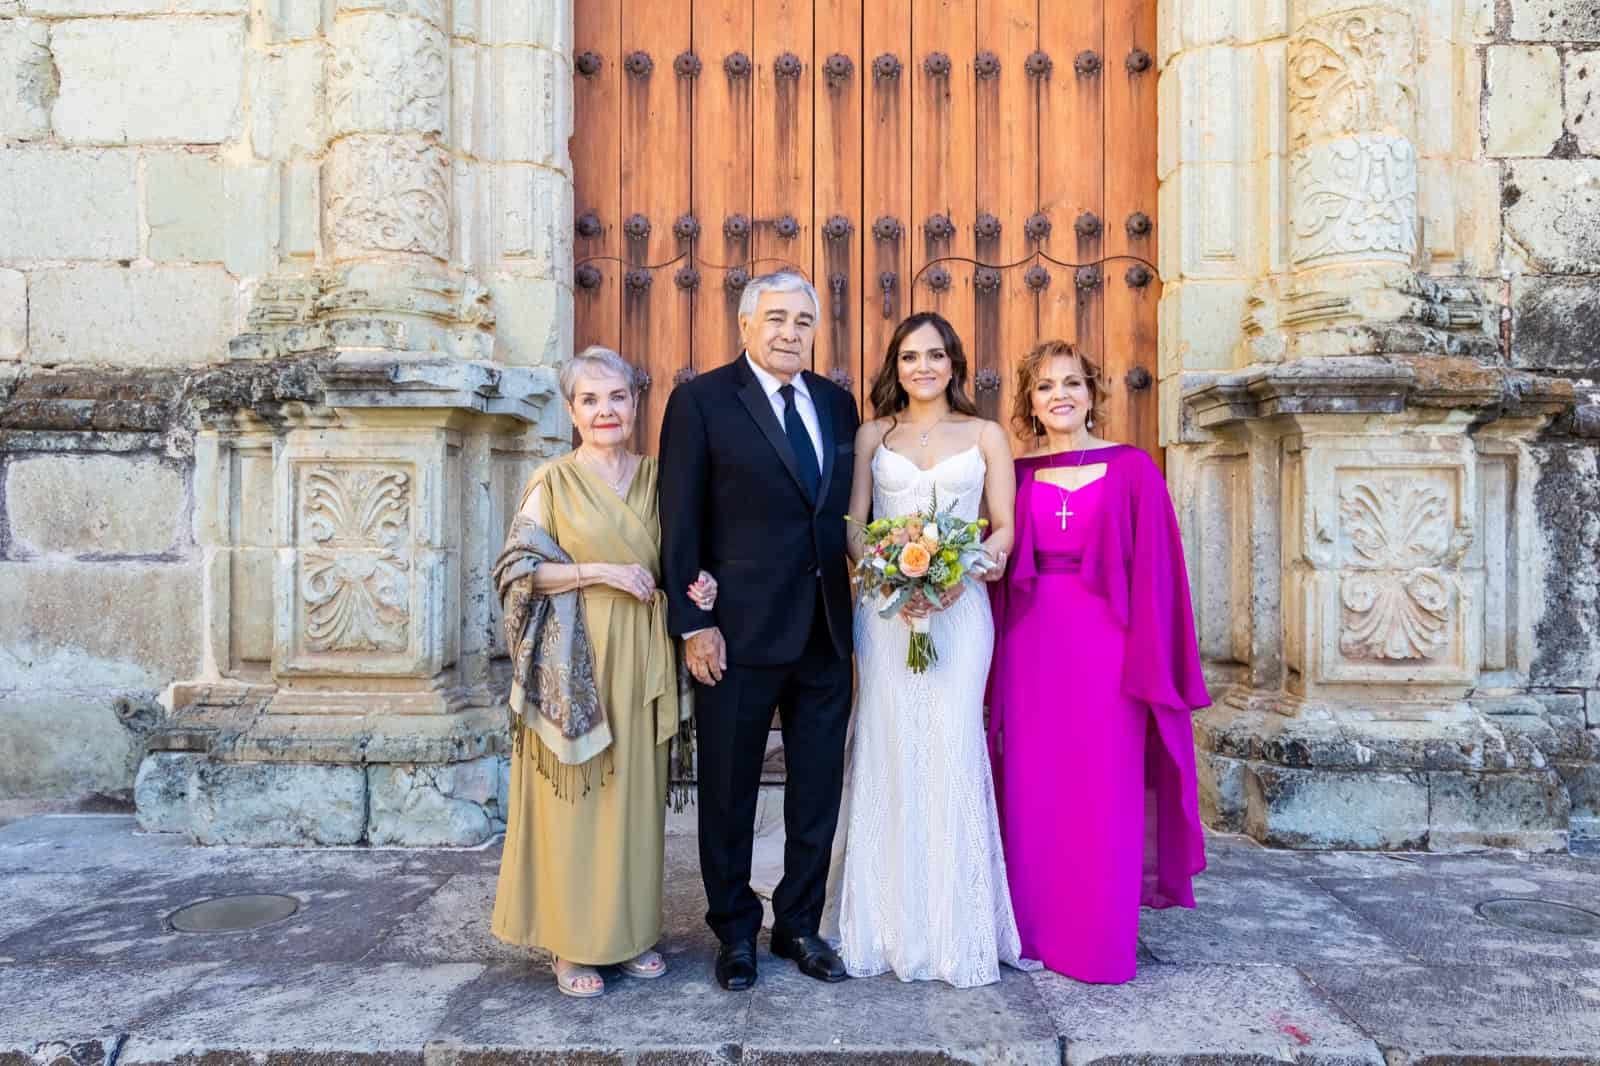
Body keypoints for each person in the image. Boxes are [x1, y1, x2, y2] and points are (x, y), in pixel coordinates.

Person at [491, 346, 718, 998]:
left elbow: (679, 559)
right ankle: (573, 945)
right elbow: (518, 571)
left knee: (635, 805)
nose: (605, 410)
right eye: (589, 400)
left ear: (635, 401)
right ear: (571, 411)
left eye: (616, 396)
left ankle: (630, 936)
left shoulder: (658, 478)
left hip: (642, 660)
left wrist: (698, 587)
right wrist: (602, 573)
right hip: (576, 666)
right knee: (579, 804)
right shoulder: (552, 481)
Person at [658, 272, 860, 991]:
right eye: (775, 318)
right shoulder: (701, 401)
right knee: (729, 790)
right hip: (736, 636)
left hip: (827, 631)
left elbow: (839, 515)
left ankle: (798, 926)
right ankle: (735, 931)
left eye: (803, 320)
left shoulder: (838, 404)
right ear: (745, 325)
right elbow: (680, 523)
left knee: (815, 791)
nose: (789, 333)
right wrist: (694, 624)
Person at [988, 339, 1210, 985]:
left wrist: (1154, 663)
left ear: (1092, 393)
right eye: (1045, 386)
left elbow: (1159, 573)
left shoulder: (1133, 469)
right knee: (1034, 785)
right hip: (1031, 652)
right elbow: (998, 569)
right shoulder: (1018, 473)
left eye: (1072, 383)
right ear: (1030, 401)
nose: (1060, 395)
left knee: (1102, 787)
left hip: (1109, 652)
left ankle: (1097, 938)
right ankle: (1031, 929)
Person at [831, 311, 1025, 987]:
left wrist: (970, 568)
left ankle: (958, 929)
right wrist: (890, 576)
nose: (923, 368)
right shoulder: (871, 435)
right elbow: (857, 527)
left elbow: (1002, 529)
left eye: (936, 355)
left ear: (955, 364)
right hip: (886, 615)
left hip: (959, 610)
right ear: (896, 365)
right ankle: (885, 927)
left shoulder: (985, 434)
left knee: (951, 747)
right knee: (889, 748)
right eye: (910, 356)